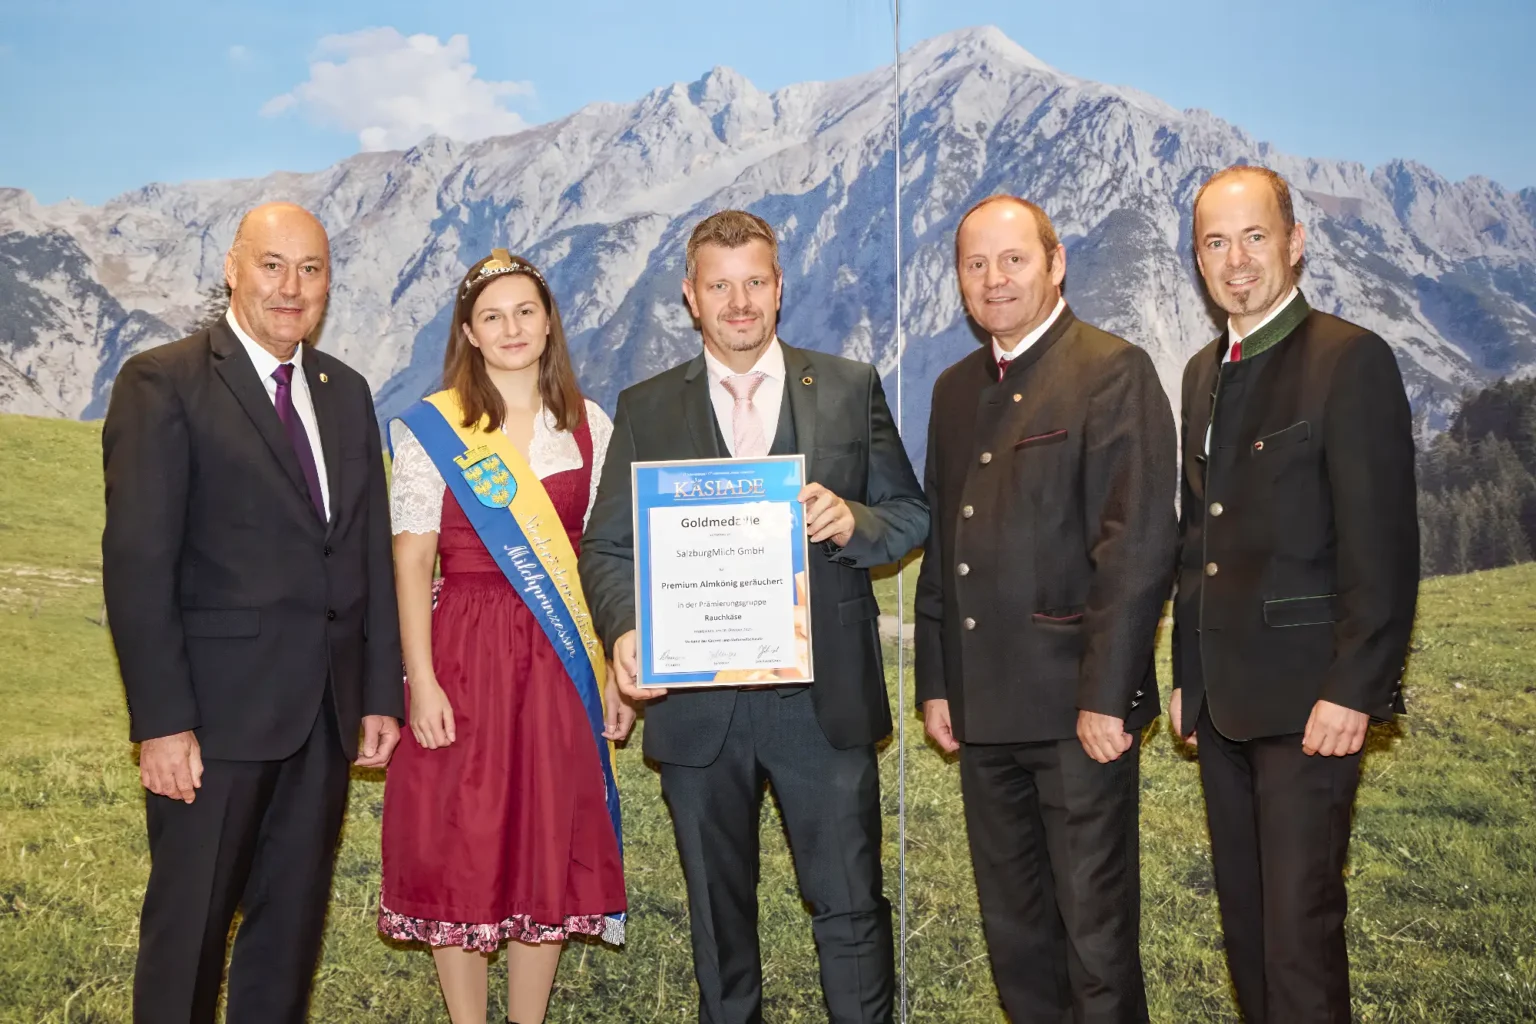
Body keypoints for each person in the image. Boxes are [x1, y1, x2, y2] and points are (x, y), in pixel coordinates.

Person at [579, 210, 927, 1024]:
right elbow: (606, 548)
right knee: (718, 924)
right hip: (698, 711)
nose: (740, 302)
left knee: (850, 911)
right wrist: (628, 630)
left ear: (779, 288)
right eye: (720, 285)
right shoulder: (646, 406)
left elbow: (910, 513)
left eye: (755, 283)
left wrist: (855, 522)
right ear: (691, 298)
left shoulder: (847, 385)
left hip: (824, 702)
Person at [101, 201, 404, 1023]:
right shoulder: (163, 381)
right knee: (187, 937)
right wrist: (161, 723)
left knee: (288, 938)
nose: (290, 287)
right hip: (211, 727)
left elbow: (366, 550)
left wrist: (379, 693)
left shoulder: (347, 392)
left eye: (310, 270)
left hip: (324, 719)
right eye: (272, 265)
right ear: (233, 267)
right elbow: (137, 566)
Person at [914, 195, 1176, 1023]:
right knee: (1015, 937)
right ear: (959, 279)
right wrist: (935, 680)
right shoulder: (956, 389)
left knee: (1095, 943)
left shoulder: (1111, 369)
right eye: (976, 264)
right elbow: (940, 549)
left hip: (1076, 715)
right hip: (982, 712)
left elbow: (1134, 547)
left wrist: (1107, 694)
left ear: (1055, 264)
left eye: (1013, 260)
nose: (995, 279)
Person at [1170, 165, 1418, 1023]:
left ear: (1294, 243)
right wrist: (1185, 677)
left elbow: (1382, 549)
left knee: (1298, 937)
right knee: (1245, 930)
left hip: (1312, 705)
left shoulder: (1350, 361)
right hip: (1222, 705)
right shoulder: (1203, 371)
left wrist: (1355, 689)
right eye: (1215, 242)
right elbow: (1196, 539)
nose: (1236, 261)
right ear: (1198, 260)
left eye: (1253, 237)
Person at [378, 250, 630, 1024]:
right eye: (493, 316)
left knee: (543, 835)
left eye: (525, 311)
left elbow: (606, 557)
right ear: (469, 332)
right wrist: (419, 680)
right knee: (461, 835)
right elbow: (412, 558)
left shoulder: (591, 425)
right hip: (462, 650)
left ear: (548, 320)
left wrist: (615, 675)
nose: (512, 327)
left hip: (561, 658)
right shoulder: (432, 425)